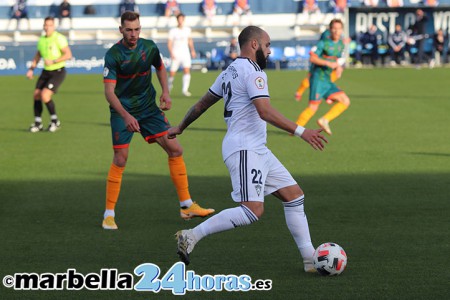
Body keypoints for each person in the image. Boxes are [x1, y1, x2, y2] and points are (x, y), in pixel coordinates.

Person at [169, 25, 327, 271]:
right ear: (254, 45)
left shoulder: (229, 71)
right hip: (244, 149)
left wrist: (180, 126)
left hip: (257, 149)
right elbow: (264, 111)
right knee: (253, 210)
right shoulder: (254, 72)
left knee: (294, 195)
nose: (270, 51)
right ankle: (192, 235)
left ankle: (310, 259)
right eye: (267, 45)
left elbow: (202, 104)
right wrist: (301, 131)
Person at [102, 11, 214, 230]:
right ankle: (108, 214)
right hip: (122, 111)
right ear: (121, 30)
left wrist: (165, 92)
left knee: (175, 149)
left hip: (148, 109)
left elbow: (160, 67)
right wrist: (126, 116)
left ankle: (186, 205)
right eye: (129, 30)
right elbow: (109, 92)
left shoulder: (149, 47)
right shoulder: (113, 55)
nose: (133, 34)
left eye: (136, 29)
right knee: (121, 158)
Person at [295, 19, 350, 135]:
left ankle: (324, 120)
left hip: (327, 80)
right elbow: (312, 58)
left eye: (339, 28)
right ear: (330, 30)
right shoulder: (323, 43)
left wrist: (339, 68)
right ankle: (294, 130)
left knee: (345, 101)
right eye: (334, 28)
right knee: (312, 108)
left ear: (342, 30)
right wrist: (328, 63)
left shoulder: (340, 44)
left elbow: (337, 60)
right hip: (318, 79)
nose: (336, 31)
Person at [26, 17, 72, 133]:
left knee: (45, 96)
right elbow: (38, 55)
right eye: (45, 25)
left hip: (58, 71)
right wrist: (31, 69)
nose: (47, 27)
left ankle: (55, 121)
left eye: (50, 25)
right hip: (46, 71)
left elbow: (68, 55)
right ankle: (38, 123)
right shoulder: (41, 39)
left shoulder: (59, 38)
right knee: (36, 95)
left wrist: (54, 61)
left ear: (54, 26)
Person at [294, 29, 345, 101]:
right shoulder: (322, 43)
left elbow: (338, 54)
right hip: (318, 68)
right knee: (309, 80)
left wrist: (338, 65)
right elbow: (313, 55)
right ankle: (299, 92)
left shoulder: (337, 43)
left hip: (329, 68)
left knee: (332, 77)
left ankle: (329, 91)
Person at [168, 13, 196, 97]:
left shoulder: (187, 30)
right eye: (179, 19)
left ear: (183, 20)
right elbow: (169, 43)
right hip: (176, 53)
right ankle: (168, 87)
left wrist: (192, 51)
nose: (180, 21)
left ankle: (185, 90)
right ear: (177, 20)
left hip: (185, 53)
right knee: (172, 72)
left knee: (186, 70)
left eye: (182, 19)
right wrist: (171, 53)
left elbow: (190, 41)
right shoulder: (173, 31)